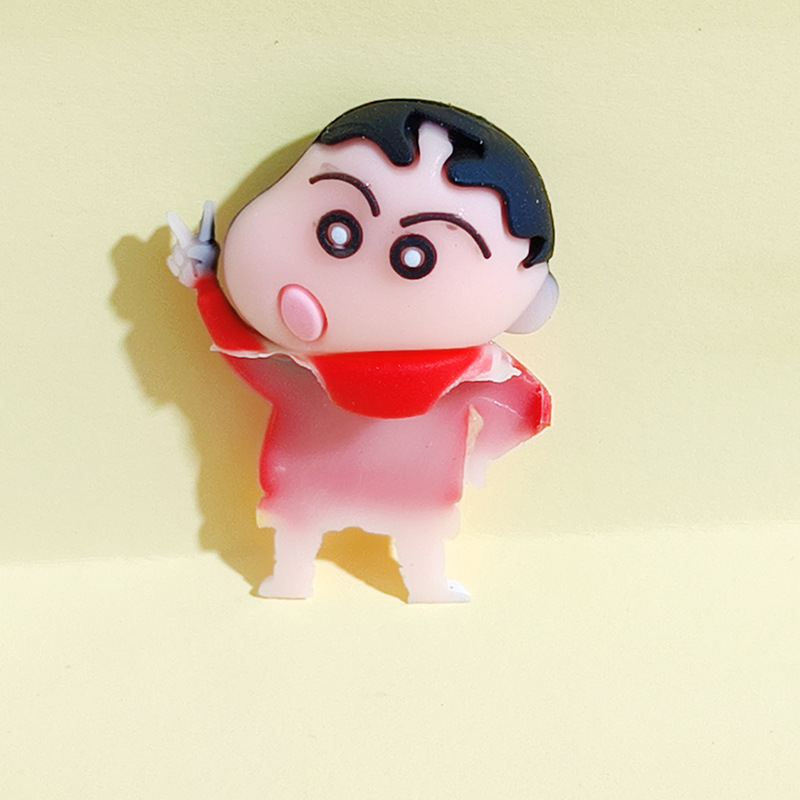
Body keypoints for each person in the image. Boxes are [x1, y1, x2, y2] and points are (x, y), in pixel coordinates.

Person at [167, 99, 558, 602]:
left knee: (416, 530)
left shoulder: (469, 371)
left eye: (414, 257)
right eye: (339, 230)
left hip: (410, 483)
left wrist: (483, 455)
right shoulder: (307, 371)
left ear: (532, 300)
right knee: (307, 524)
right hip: (317, 473)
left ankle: (419, 582)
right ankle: (297, 578)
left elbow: (515, 407)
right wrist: (205, 285)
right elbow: (245, 353)